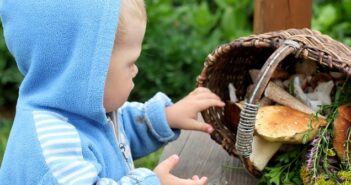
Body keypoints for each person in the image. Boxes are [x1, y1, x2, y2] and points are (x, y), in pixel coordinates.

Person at [0, 0, 224, 184]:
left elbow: (116, 131)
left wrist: (166, 117)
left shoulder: (82, 109)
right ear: (86, 70)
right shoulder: (52, 148)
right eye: (130, 63)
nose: (136, 70)